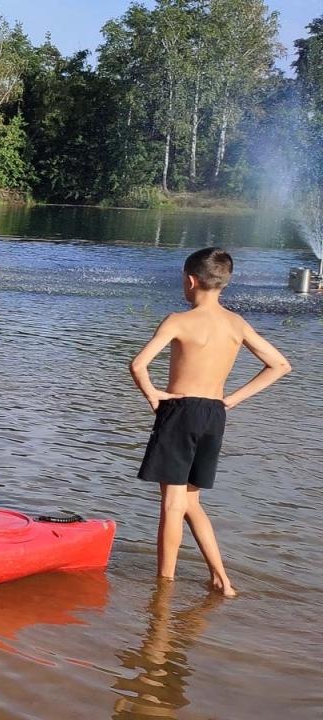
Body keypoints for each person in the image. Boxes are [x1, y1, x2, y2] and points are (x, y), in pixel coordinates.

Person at [128, 248, 290, 597]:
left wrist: (155, 396)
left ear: (190, 281)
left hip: (180, 411)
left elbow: (138, 365)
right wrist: (231, 399)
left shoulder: (177, 320)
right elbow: (279, 365)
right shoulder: (236, 324)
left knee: (172, 505)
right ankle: (222, 579)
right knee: (191, 503)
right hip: (214, 414)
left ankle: (164, 587)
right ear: (223, 283)